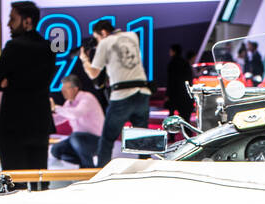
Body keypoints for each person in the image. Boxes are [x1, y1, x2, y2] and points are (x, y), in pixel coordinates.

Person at [0, 2, 54, 177]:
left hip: (13, 124)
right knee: (40, 180)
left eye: (12, 19)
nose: (8, 24)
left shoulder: (14, 46)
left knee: (14, 180)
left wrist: (8, 81)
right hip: (40, 122)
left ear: (27, 21)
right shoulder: (48, 48)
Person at [80, 18, 151, 166]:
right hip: (143, 92)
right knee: (142, 138)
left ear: (103, 33)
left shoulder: (105, 42)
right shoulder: (132, 35)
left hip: (122, 96)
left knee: (107, 139)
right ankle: (147, 170)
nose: (97, 41)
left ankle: (101, 173)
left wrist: (84, 59)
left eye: (97, 38)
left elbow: (94, 73)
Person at [50, 74, 103, 167]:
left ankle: (88, 169)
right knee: (56, 150)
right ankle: (83, 164)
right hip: (78, 141)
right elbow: (59, 118)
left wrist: (55, 107)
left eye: (65, 88)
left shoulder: (87, 98)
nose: (62, 91)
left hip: (96, 140)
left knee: (75, 137)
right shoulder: (68, 103)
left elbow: (76, 114)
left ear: (75, 89)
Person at [165, 44, 194, 123]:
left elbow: (170, 80)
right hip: (185, 94)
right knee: (186, 119)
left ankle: (171, 134)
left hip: (174, 95)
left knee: (171, 118)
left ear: (173, 51)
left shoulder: (172, 63)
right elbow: (189, 79)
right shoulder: (185, 63)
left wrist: (168, 95)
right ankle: (188, 134)